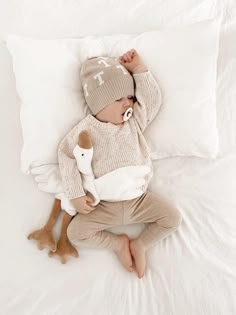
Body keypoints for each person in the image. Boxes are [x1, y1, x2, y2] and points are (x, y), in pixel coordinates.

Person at [58, 49, 182, 278]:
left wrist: (139, 70)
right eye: (119, 99)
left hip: (140, 201)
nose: (128, 104)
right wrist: (75, 193)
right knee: (75, 233)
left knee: (172, 218)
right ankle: (117, 244)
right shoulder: (86, 129)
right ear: (98, 104)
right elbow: (66, 155)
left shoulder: (133, 123)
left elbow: (153, 100)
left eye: (130, 98)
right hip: (104, 206)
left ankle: (141, 245)